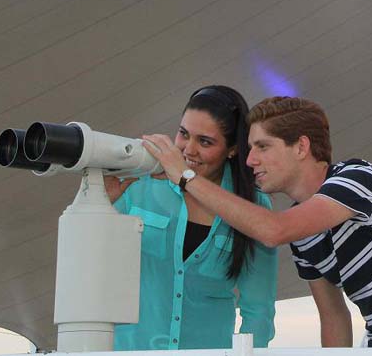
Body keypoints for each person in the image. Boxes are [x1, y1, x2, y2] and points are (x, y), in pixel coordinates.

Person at [142, 96, 372, 348]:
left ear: (301, 147)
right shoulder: (304, 232)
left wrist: (185, 176)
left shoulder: (357, 179)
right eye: (249, 148)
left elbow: (272, 230)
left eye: (262, 146)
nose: (249, 160)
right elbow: (333, 315)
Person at [104, 85, 277, 350]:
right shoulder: (137, 183)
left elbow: (259, 310)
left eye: (205, 142)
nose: (188, 150)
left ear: (232, 149)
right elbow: (86, 264)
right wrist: (99, 203)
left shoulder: (252, 206)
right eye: (183, 134)